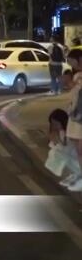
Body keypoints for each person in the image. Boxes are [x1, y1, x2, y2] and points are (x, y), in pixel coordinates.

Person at [46, 109, 81, 188]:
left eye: (56, 123)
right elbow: (53, 144)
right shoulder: (57, 132)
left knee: (56, 153)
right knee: (54, 153)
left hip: (74, 156)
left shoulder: (69, 133)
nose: (54, 126)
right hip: (69, 155)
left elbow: (67, 146)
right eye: (52, 123)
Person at [63, 48, 82, 191]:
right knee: (78, 149)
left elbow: (76, 89)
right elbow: (73, 92)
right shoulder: (77, 75)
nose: (70, 63)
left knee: (80, 149)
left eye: (71, 61)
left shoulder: (78, 76)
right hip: (76, 115)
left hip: (79, 116)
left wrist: (70, 82)